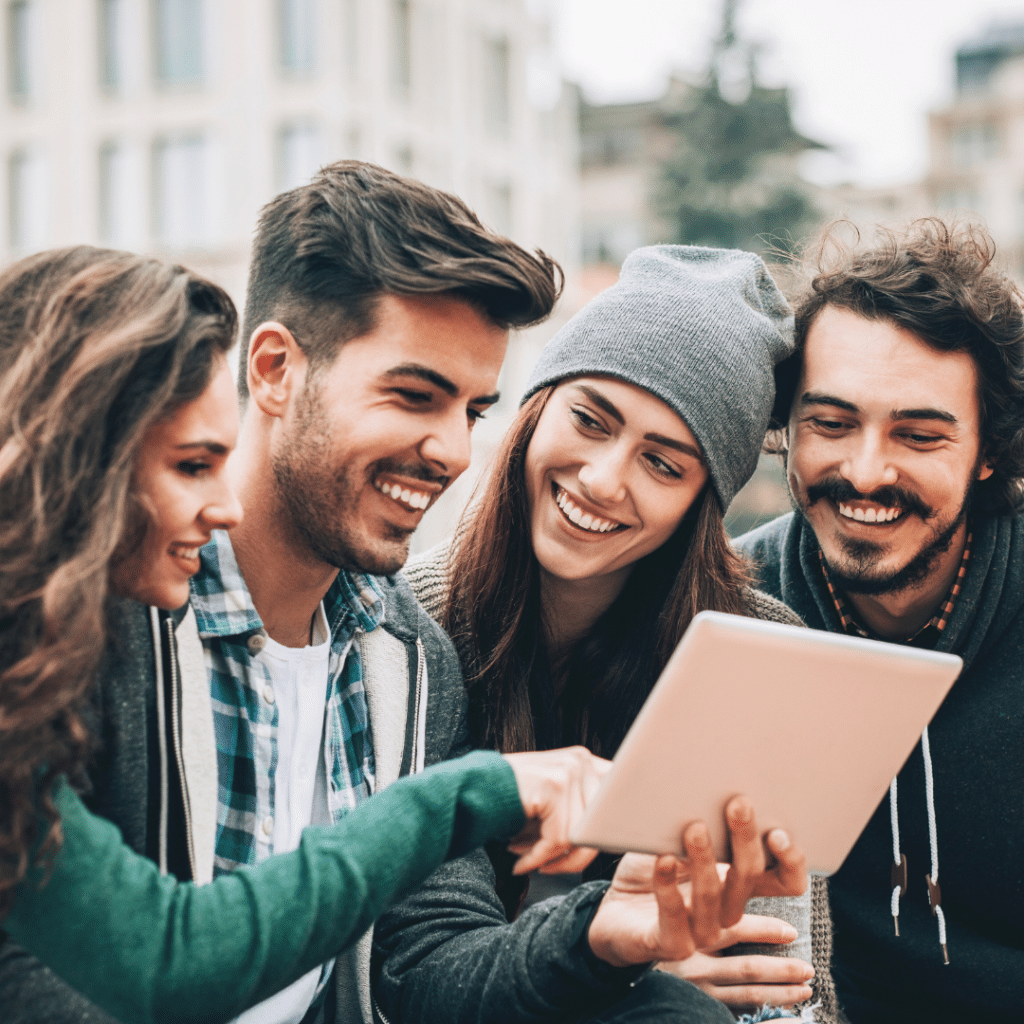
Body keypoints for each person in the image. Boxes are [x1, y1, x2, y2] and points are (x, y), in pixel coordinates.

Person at [0, 246, 610, 1024]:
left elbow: (427, 951)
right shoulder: (78, 642)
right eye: (192, 465)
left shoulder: (414, 663)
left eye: (475, 412)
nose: (456, 453)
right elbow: (158, 960)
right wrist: (478, 791)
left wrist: (597, 939)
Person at [380, 245, 829, 1024]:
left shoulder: (752, 653)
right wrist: (631, 975)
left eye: (663, 463)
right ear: (536, 409)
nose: (602, 479)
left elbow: (784, 980)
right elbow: (416, 967)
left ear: (702, 501)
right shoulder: (411, 630)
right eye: (591, 420)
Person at [734, 219, 1024, 1023]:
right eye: (829, 425)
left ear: (991, 449)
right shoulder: (720, 614)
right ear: (783, 430)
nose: (866, 471)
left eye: (919, 435)